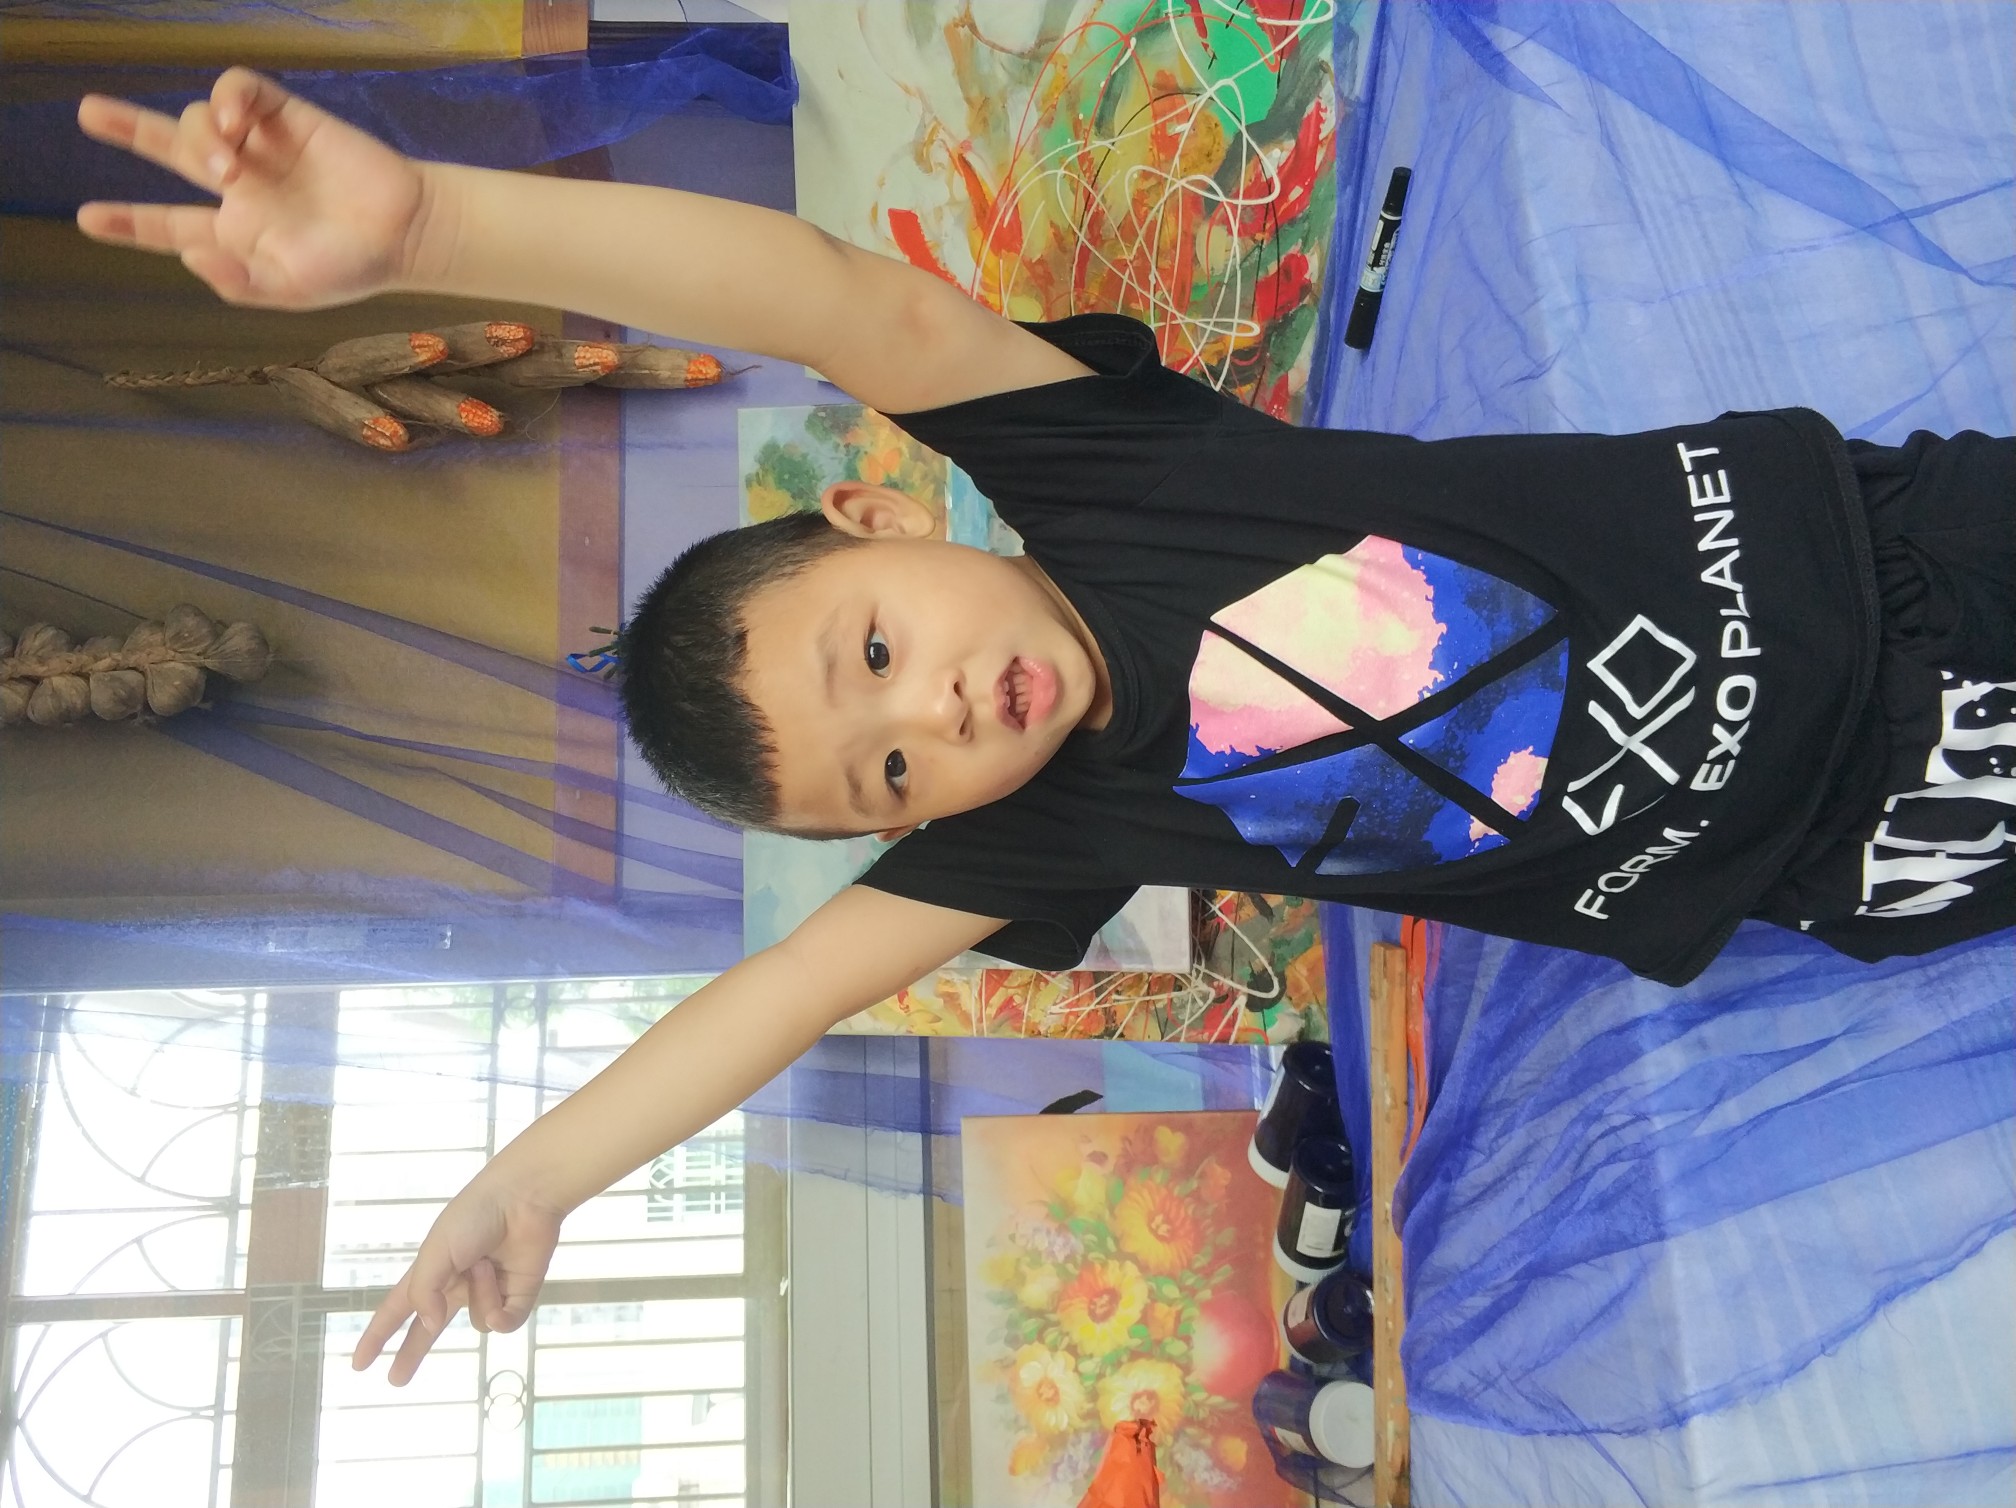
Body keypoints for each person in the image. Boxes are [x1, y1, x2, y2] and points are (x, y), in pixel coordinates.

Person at [74, 71, 2012, 1386]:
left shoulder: (1100, 470)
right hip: (1856, 848)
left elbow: (822, 295)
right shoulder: (1051, 833)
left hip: (1887, 567)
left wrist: (428, 213)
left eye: (877, 650)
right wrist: (531, 1180)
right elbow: (774, 999)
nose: (936, 713)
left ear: (881, 514)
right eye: (890, 774)